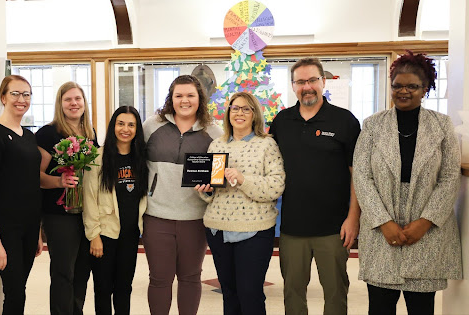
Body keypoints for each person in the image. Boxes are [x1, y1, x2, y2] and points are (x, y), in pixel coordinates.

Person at [353, 51, 462, 315]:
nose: (404, 91)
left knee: (422, 308)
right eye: (397, 85)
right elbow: (362, 176)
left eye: (412, 86)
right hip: (381, 231)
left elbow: (449, 177)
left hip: (427, 231)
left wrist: (425, 222)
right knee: (380, 306)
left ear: (424, 89)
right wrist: (384, 222)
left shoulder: (442, 125)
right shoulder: (372, 125)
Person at [269, 58, 361, 315]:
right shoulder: (282, 121)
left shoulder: (345, 121)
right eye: (300, 82)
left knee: (335, 293)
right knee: (293, 293)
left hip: (334, 228)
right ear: (292, 85)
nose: (306, 87)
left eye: (312, 80)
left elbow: (358, 174)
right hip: (291, 228)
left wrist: (354, 217)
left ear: (323, 81)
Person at [195, 92, 285, 315]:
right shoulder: (216, 145)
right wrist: (205, 190)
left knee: (250, 293)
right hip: (218, 229)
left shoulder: (267, 145)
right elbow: (212, 191)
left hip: (254, 230)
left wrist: (243, 179)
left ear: (255, 114)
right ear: (228, 113)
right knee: (230, 293)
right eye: (235, 108)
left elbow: (276, 186)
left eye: (246, 109)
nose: (240, 113)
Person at [142, 74, 223, 315]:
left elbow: (217, 179)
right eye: (179, 95)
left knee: (190, 277)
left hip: (195, 218)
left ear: (200, 99)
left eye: (190, 95)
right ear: (171, 98)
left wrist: (212, 186)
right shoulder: (151, 126)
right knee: (159, 278)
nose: (184, 101)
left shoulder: (214, 132)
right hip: (157, 215)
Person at [0, 75, 43, 314]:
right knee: (15, 293)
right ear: (3, 97)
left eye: (26, 94)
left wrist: (37, 232)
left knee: (19, 290)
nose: (21, 99)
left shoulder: (29, 136)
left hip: (29, 226)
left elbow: (31, 184)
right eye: (15, 93)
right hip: (5, 228)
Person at [35, 81, 95, 314]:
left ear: (84, 103)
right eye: (68, 99)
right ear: (60, 104)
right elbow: (37, 177)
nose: (73, 103)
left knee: (82, 271)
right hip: (59, 214)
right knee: (63, 273)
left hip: (86, 212)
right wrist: (60, 182)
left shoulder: (90, 134)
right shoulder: (47, 133)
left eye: (77, 99)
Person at [83, 106, 148, 315]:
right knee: (103, 289)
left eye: (131, 124)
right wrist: (94, 236)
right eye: (121, 124)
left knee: (124, 288)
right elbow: (89, 198)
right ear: (113, 126)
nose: (125, 129)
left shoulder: (141, 159)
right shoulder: (98, 158)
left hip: (129, 235)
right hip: (104, 234)